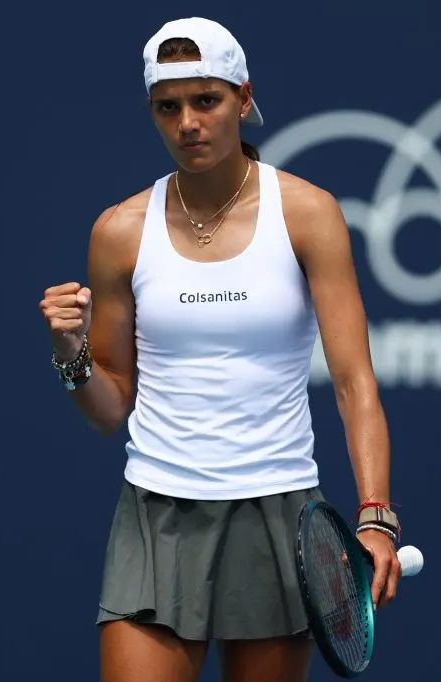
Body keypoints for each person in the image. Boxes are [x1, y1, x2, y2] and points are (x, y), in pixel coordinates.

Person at [38, 17, 402, 682]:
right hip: (156, 514)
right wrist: (72, 353)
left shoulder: (307, 213)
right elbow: (108, 405)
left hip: (279, 515)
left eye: (206, 100)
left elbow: (355, 385)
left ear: (243, 97)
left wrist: (376, 513)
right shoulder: (119, 232)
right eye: (167, 107)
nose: (188, 123)